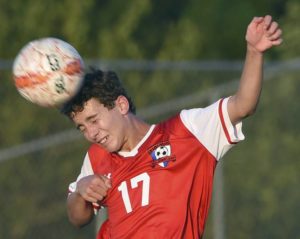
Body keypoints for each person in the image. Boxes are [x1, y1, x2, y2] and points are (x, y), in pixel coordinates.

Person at [61, 15, 282, 239]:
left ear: (120, 105)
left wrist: (254, 51)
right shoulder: (97, 157)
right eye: (81, 128)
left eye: (93, 120)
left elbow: (243, 105)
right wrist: (80, 190)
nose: (90, 133)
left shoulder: (188, 131)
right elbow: (78, 218)